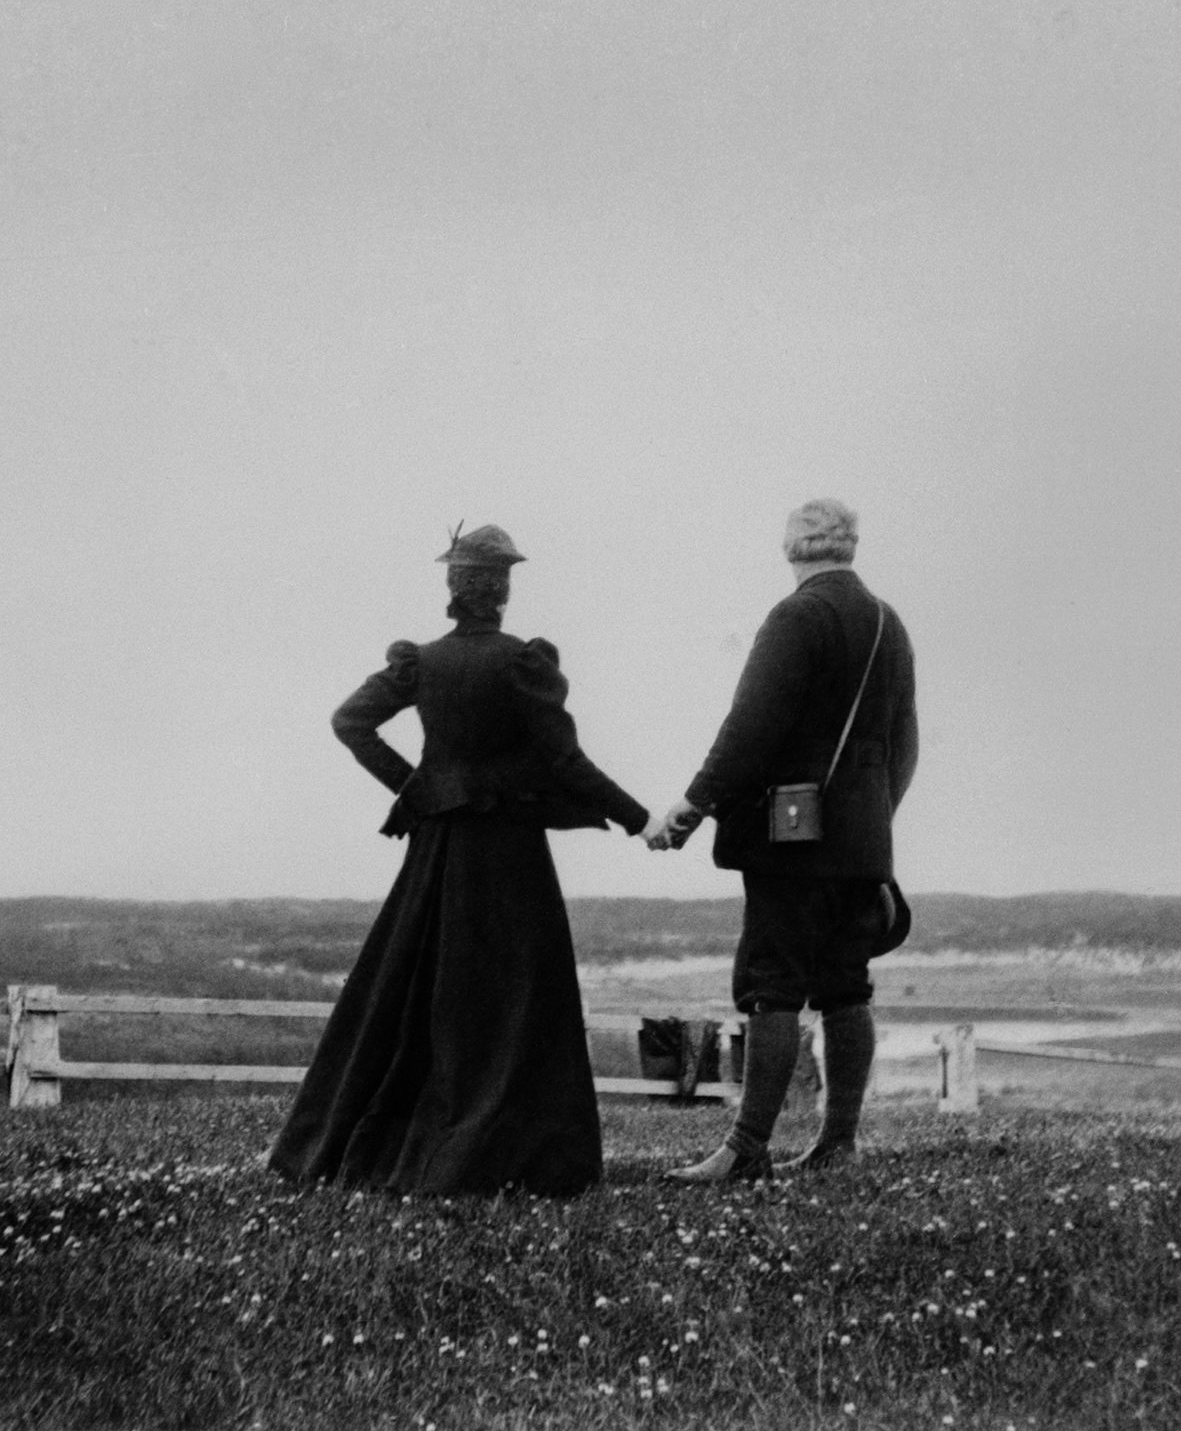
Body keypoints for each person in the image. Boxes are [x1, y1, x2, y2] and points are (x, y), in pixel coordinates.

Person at [267, 523, 656, 1196]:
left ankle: (386, 1144)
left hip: (439, 853)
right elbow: (565, 760)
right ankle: (514, 1152)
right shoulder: (522, 662)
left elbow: (350, 721)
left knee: (417, 992)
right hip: (509, 856)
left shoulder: (421, 661)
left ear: (454, 589)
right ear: (502, 589)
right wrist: (640, 818)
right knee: (515, 995)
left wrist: (420, 788)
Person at [650, 498, 918, 1182]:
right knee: (845, 987)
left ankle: (745, 1149)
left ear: (793, 548)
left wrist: (693, 801)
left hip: (791, 837)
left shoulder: (796, 615)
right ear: (850, 547)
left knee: (771, 986)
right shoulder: (890, 622)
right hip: (863, 841)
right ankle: (839, 1143)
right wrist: (871, 816)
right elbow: (905, 745)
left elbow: (750, 729)